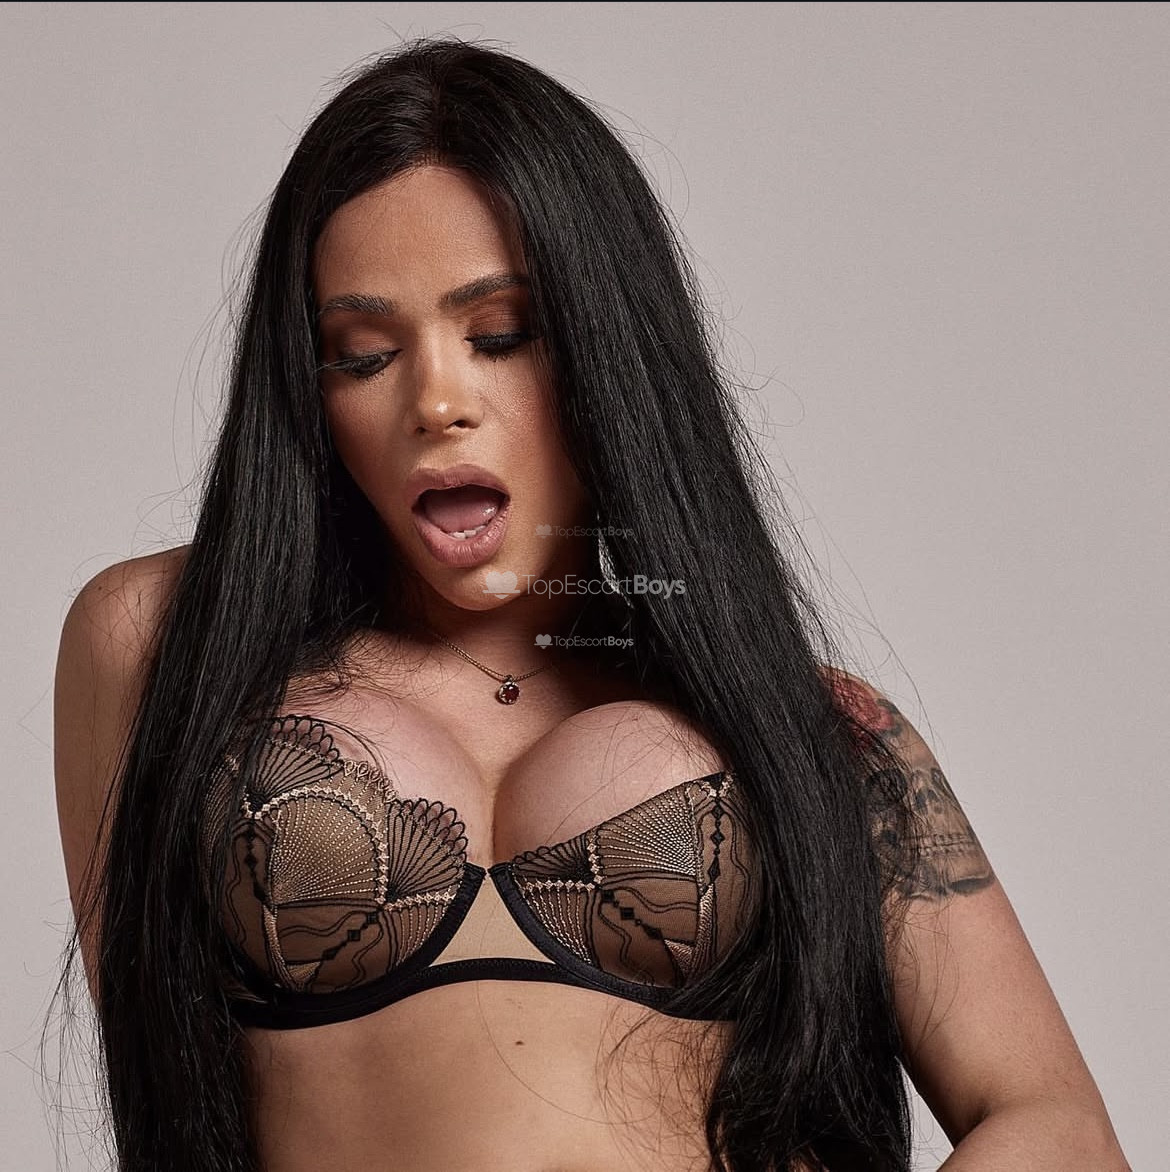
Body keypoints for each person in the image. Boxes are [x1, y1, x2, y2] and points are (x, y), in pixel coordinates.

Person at [52, 36, 1129, 1172]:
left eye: (501, 336)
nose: (437, 401)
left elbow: (1056, 1126)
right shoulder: (164, 642)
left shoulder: (808, 730)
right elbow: (166, 1098)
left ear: (609, 349)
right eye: (363, 355)